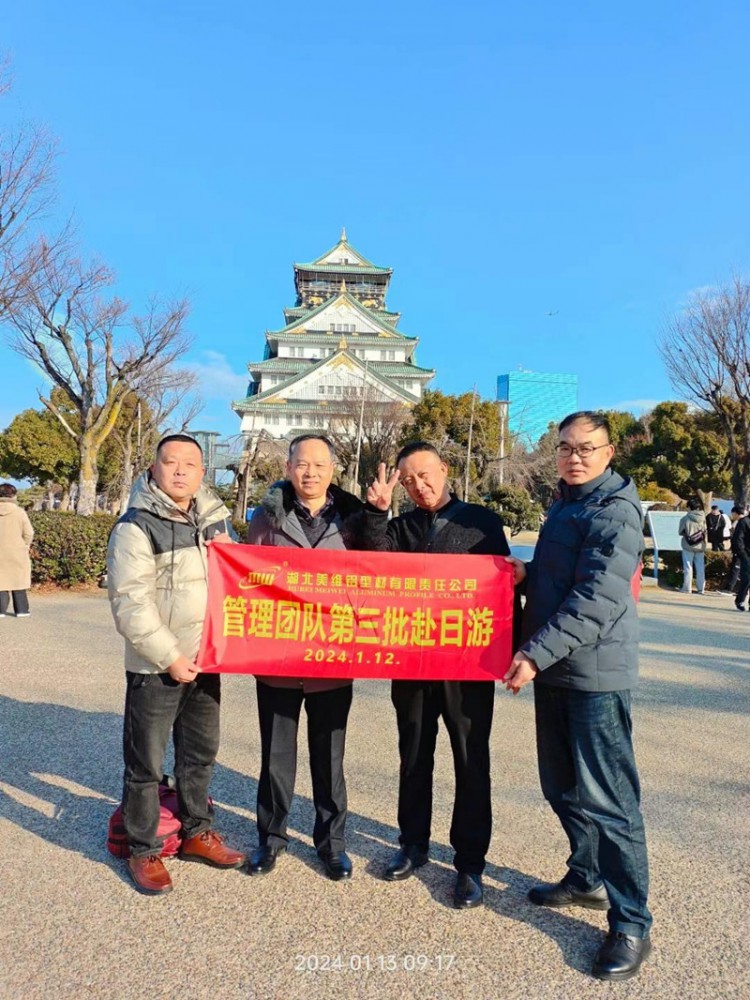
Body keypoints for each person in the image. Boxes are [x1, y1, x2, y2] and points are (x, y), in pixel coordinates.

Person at [503, 411, 652, 983]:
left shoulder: (616, 511)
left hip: (595, 677)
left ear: (609, 453)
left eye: (587, 448)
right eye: (566, 447)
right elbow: (565, 572)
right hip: (557, 671)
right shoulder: (566, 503)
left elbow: (595, 598)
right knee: (560, 785)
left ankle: (631, 922)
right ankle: (586, 876)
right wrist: (528, 571)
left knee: (610, 801)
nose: (574, 456)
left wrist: (534, 654)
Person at [363, 441, 511, 910]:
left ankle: (470, 863)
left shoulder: (481, 522)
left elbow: (503, 589)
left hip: (467, 666)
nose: (419, 486)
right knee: (413, 755)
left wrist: (512, 651)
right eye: (408, 480)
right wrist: (377, 514)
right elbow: (370, 567)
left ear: (444, 469)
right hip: (411, 661)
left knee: (471, 760)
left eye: (425, 474)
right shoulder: (400, 527)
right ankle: (413, 844)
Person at [107, 434, 246, 895]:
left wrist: (232, 553)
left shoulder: (215, 520)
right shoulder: (136, 525)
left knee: (199, 754)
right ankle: (143, 848)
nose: (181, 471)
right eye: (171, 462)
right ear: (154, 468)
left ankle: (197, 831)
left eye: (190, 464)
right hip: (157, 665)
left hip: (207, 660)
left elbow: (240, 584)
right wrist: (170, 656)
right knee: (145, 763)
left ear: (204, 472)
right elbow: (130, 603)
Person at [244, 435, 365, 882]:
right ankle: (271, 838)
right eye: (301, 464)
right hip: (279, 656)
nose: (309, 472)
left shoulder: (354, 519)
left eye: (318, 464)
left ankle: (332, 844)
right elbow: (249, 577)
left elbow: (376, 576)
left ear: (333, 469)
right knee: (275, 756)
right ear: (288, 467)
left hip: (333, 654)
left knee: (329, 757)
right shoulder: (266, 516)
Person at [0, 483, 34, 618]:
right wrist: (25, 545)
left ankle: (0, 610)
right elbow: (29, 533)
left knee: (1, 581)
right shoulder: (19, 512)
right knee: (18, 580)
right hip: (17, 551)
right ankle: (22, 610)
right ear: (13, 495)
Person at [678, 498, 707, 594]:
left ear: (689, 507)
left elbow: (680, 532)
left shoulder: (685, 518)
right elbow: (705, 531)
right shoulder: (703, 518)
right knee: (700, 568)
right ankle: (701, 589)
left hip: (688, 545)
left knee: (688, 567)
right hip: (700, 545)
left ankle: (687, 588)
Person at [730, 505, 750, 611]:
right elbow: (738, 538)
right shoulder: (744, 521)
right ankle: (740, 600)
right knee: (746, 579)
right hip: (746, 554)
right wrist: (741, 553)